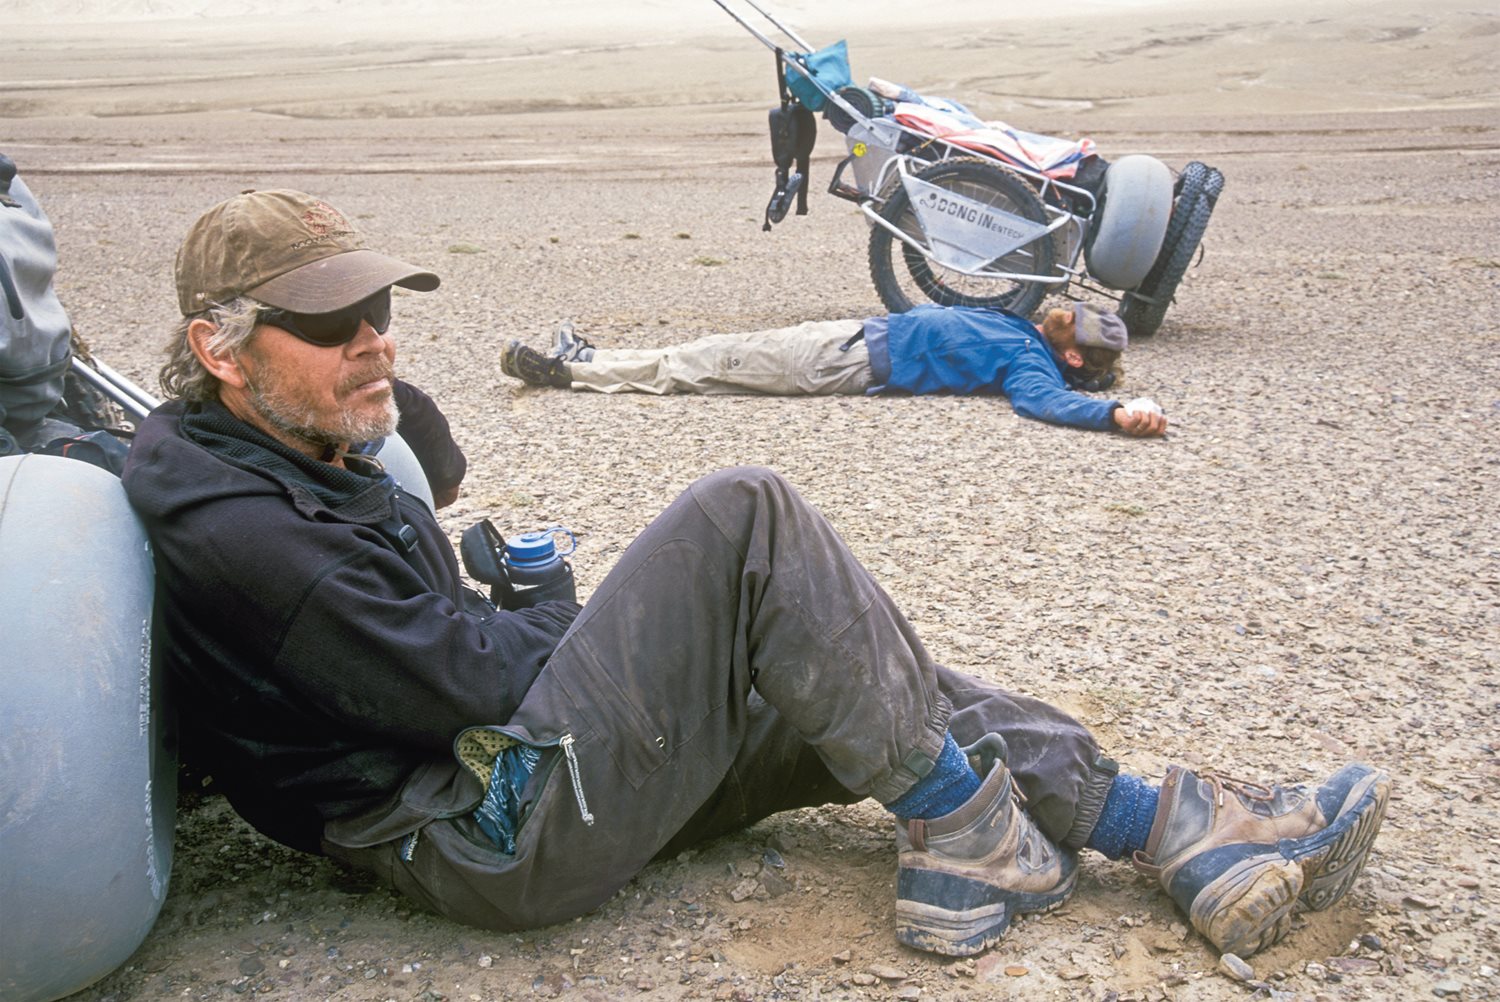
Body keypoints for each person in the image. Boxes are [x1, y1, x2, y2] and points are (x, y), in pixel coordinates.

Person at [122, 189, 1388, 961]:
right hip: (478, 833)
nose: (376, 339)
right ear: (220, 352)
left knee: (835, 676)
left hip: (491, 771)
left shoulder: (273, 443)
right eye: (335, 325)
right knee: (746, 517)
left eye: (380, 310)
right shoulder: (245, 535)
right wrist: (551, 593)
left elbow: (434, 534)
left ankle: (1167, 829)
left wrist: (380, 408)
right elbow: (480, 687)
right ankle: (964, 827)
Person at [498, 304, 1169, 438]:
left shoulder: (1030, 360)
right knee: (711, 350)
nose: (1067, 311)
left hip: (843, 361)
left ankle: (569, 373)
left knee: (701, 366)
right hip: (848, 338)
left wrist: (1110, 412)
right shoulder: (1023, 328)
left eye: (1076, 325)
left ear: (1072, 354)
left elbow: (1041, 403)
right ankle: (594, 359)